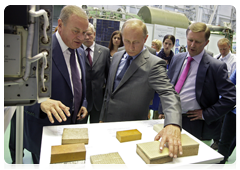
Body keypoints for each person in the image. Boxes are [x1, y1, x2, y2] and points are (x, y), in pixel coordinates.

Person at [100, 18, 183, 158]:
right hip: (107, 125)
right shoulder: (117, 56)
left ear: (145, 38)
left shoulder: (154, 64)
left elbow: (169, 93)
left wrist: (173, 123)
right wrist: (102, 117)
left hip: (132, 131)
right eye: (127, 41)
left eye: (136, 42)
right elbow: (110, 92)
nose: (131, 47)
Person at [23, 5, 89, 168]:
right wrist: (41, 102)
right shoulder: (36, 50)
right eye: (76, 31)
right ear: (60, 25)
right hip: (45, 132)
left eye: (84, 32)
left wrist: (84, 103)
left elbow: (79, 83)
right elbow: (18, 92)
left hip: (72, 131)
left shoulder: (79, 51)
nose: (81, 38)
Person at [158, 22, 238, 141]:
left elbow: (231, 97)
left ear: (206, 43)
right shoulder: (177, 58)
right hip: (171, 117)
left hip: (194, 123)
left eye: (198, 42)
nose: (192, 45)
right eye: (190, 40)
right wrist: (163, 109)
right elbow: (168, 86)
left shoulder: (216, 67)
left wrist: (206, 114)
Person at [207, 67, 238, 169]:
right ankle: (217, 166)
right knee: (224, 141)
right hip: (234, 111)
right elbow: (230, 83)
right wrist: (224, 99)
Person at [81, 23, 110, 123]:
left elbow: (108, 77)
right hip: (81, 101)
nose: (87, 37)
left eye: (89, 34)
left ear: (94, 34)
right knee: (80, 130)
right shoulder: (76, 51)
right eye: (84, 34)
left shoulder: (105, 52)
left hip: (98, 101)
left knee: (97, 130)